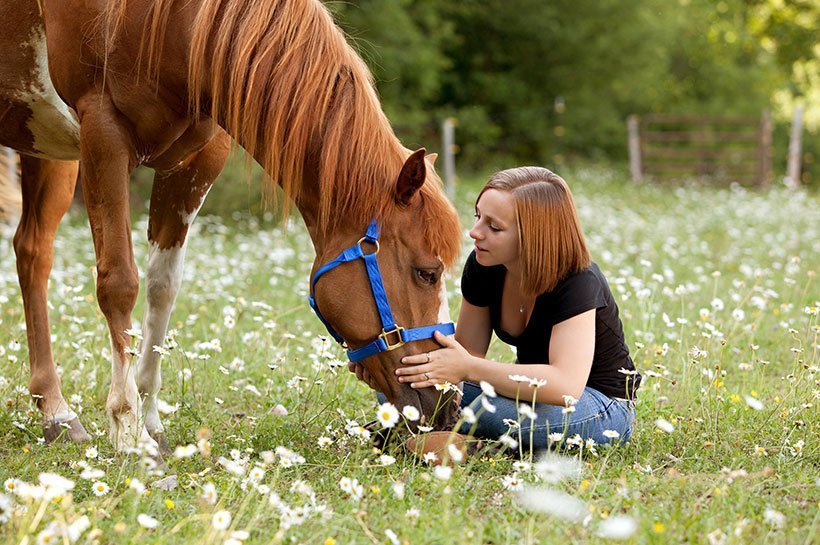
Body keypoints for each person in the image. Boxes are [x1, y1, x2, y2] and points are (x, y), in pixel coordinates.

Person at [352, 167, 641, 451]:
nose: (474, 232)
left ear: (534, 236)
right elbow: (465, 355)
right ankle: (449, 438)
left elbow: (565, 386)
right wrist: (385, 363)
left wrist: (468, 368)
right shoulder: (485, 267)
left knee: (491, 411)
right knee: (404, 381)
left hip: (599, 405)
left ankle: (441, 438)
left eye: (494, 227)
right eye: (478, 217)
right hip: (529, 393)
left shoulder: (577, 280)